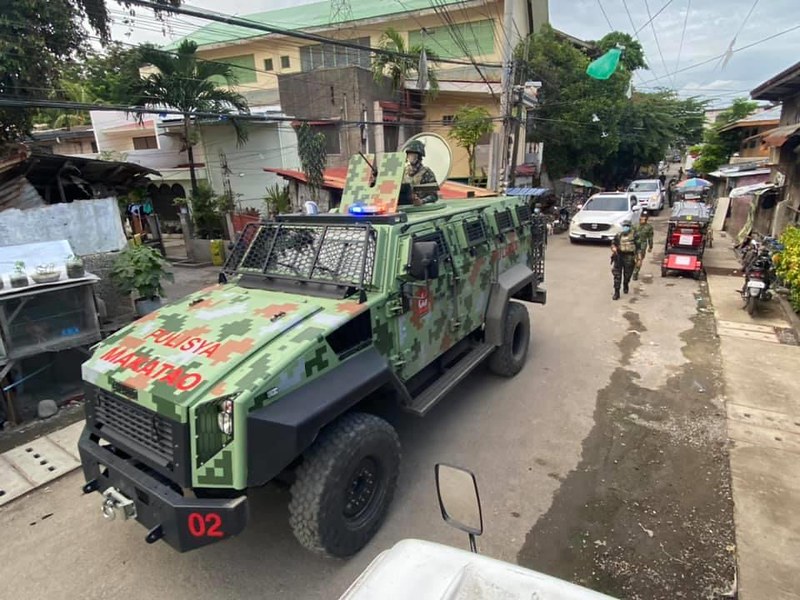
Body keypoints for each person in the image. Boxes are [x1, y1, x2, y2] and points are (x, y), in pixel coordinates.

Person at [610, 219, 639, 300]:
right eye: (624, 226)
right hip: (619, 256)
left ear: (630, 227)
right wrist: (613, 248)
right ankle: (616, 292)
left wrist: (638, 258)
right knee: (617, 275)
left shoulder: (635, 235)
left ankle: (626, 284)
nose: (625, 227)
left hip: (629, 257)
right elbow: (613, 243)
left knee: (627, 275)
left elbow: (638, 247)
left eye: (627, 226)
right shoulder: (618, 235)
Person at [403, 140, 438, 205]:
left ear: (419, 156)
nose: (411, 156)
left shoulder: (426, 172)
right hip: (405, 208)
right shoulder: (403, 172)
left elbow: (434, 196)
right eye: (409, 154)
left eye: (413, 154)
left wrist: (422, 201)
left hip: (421, 209)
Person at [632, 210, 654, 281]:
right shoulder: (635, 225)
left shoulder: (649, 227)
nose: (642, 218)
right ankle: (634, 270)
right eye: (642, 217)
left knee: (639, 259)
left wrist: (650, 247)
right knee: (634, 259)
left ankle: (635, 273)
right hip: (633, 245)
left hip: (642, 246)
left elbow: (650, 238)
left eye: (644, 217)